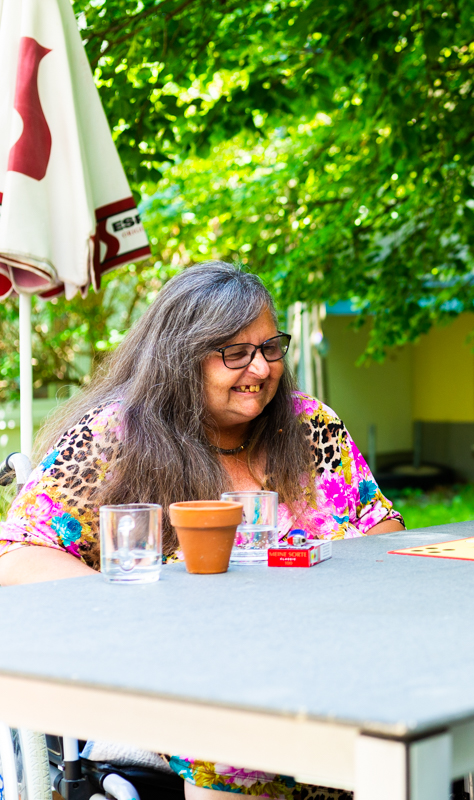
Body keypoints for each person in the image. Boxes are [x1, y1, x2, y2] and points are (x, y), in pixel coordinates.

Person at [0, 261, 405, 800]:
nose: (261, 370)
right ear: (180, 358)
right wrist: (146, 610)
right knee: (244, 745)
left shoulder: (308, 424)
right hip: (188, 678)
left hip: (327, 658)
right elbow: (21, 555)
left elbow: (383, 528)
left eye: (270, 348)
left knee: (404, 730)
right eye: (236, 354)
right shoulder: (118, 434)